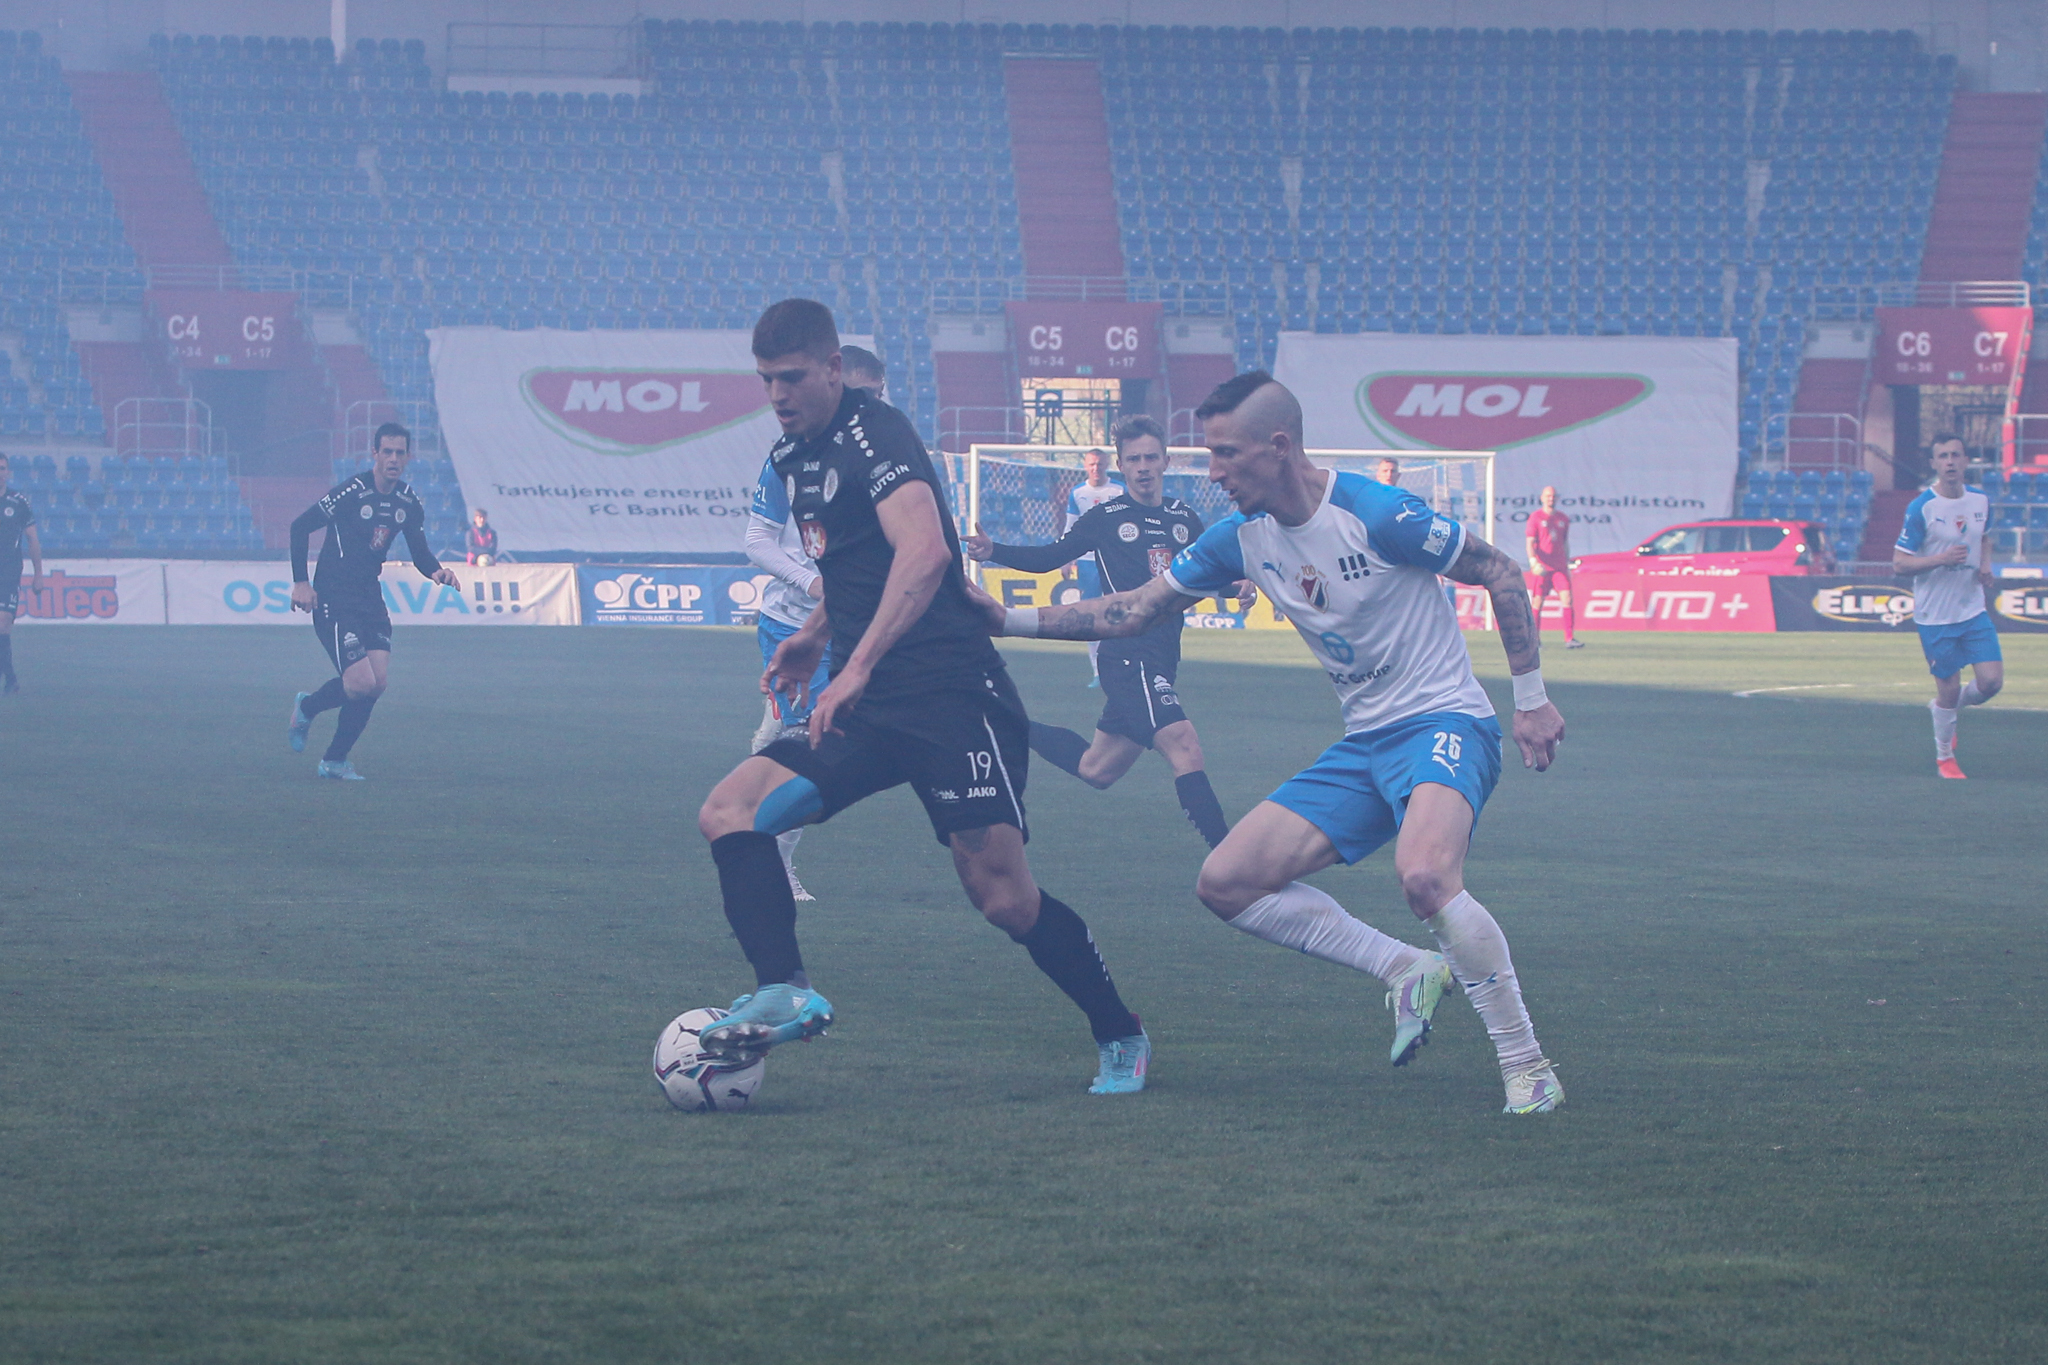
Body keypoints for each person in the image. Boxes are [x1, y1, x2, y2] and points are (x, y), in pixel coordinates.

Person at [976, 372, 1567, 1114]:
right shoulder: (1238, 538)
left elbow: (1500, 572)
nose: (1213, 473)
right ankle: (1405, 967)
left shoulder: (1377, 512)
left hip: (1445, 721)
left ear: (1278, 447)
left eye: (1226, 454)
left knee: (1424, 877)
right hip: (1365, 744)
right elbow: (1137, 610)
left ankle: (1527, 1065)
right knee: (1225, 882)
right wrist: (1007, 620)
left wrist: (1531, 700)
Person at [694, 299, 1150, 1095]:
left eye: (792, 377)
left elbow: (925, 551)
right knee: (730, 810)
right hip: (865, 702)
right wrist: (815, 635)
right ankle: (784, 987)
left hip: (951, 695)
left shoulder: (877, 435)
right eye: (766, 380)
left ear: (834, 368)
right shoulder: (794, 454)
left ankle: (1121, 1030)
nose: (777, 394)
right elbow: (853, 563)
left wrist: (857, 664)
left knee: (1004, 898)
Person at [963, 414, 1244, 848]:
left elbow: (1204, 575)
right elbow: (1050, 557)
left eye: (1150, 457)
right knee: (1184, 746)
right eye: (1134, 460)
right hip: (1128, 654)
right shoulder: (1105, 517)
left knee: (1097, 769)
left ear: (1165, 461)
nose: (1143, 467)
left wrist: (1238, 585)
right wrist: (993, 550)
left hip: (1163, 656)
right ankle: (1232, 858)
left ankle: (1004, 721)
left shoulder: (1184, 517)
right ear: (1122, 466)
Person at [285, 423, 459, 780]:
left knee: (377, 684)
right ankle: (307, 707)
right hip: (334, 596)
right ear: (375, 454)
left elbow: (420, 552)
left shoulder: (408, 501)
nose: (394, 459)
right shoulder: (352, 491)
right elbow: (299, 527)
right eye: (387, 452)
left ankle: (334, 760)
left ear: (408, 457)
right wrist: (301, 583)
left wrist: (437, 571)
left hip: (369, 597)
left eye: (400, 453)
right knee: (360, 683)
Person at [744, 438, 830, 902]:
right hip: (792, 624)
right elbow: (757, 539)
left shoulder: (883, 458)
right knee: (811, 743)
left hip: (858, 623)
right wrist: (811, 581)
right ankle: (776, 864)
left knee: (790, 737)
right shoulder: (788, 458)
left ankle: (770, 738)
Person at [1894, 434, 2000, 779]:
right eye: (1943, 456)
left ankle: (1948, 711)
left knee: (1991, 683)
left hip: (1972, 609)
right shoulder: (1922, 507)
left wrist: (1985, 565)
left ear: (1966, 460)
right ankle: (1945, 758)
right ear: (1934, 463)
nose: (1950, 462)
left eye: (1956, 455)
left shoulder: (1980, 500)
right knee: (1949, 689)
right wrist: (1941, 558)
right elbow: (1899, 563)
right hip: (1936, 616)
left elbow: (1984, 536)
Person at [1062, 447, 1125, 686]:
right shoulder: (1078, 493)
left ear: (1107, 464)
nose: (1095, 468)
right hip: (1087, 561)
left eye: (1099, 464)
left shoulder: (1119, 490)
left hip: (1115, 559)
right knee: (1090, 615)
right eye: (1091, 464)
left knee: (1119, 611)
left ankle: (1121, 665)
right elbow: (1070, 527)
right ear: (1085, 466)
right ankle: (1098, 672)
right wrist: (1065, 557)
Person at [0, 451, 43, 695]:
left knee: (3, 622)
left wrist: (39, 574)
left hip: (8, 572)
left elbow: (32, 538)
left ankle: (10, 680)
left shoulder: (19, 502)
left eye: (2, 468)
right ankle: (10, 676)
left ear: (8, 472)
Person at [1524, 485, 1583, 649]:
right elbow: (1530, 542)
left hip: (1559, 567)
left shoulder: (1562, 518)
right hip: (1543, 568)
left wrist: (1567, 562)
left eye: (1553, 496)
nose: (1551, 499)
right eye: (1548, 496)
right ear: (1542, 498)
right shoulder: (1536, 518)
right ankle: (1535, 639)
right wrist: (1533, 562)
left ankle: (1569, 639)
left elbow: (1564, 542)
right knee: (1538, 602)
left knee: (1567, 599)